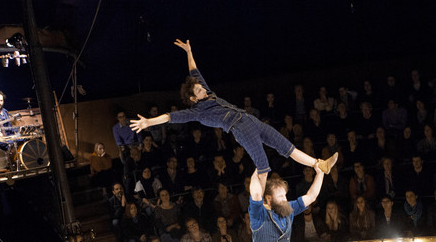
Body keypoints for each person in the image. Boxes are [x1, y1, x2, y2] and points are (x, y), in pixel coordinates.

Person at [129, 40, 338, 193]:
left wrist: (189, 51)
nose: (202, 89)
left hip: (249, 119)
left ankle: (319, 164)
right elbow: (170, 117)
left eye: (201, 87)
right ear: (193, 98)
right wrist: (148, 122)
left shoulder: (207, 93)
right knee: (263, 166)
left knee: (286, 146)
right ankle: (260, 205)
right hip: (240, 128)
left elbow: (194, 71)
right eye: (199, 90)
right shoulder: (197, 111)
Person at [112, 110, 138, 191]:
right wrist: (123, 147)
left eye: (123, 116)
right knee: (126, 158)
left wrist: (138, 144)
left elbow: (137, 135)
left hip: (134, 144)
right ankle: (128, 179)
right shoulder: (116, 128)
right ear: (117, 118)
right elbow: (118, 141)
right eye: (120, 117)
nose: (122, 119)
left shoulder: (131, 124)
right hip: (125, 147)